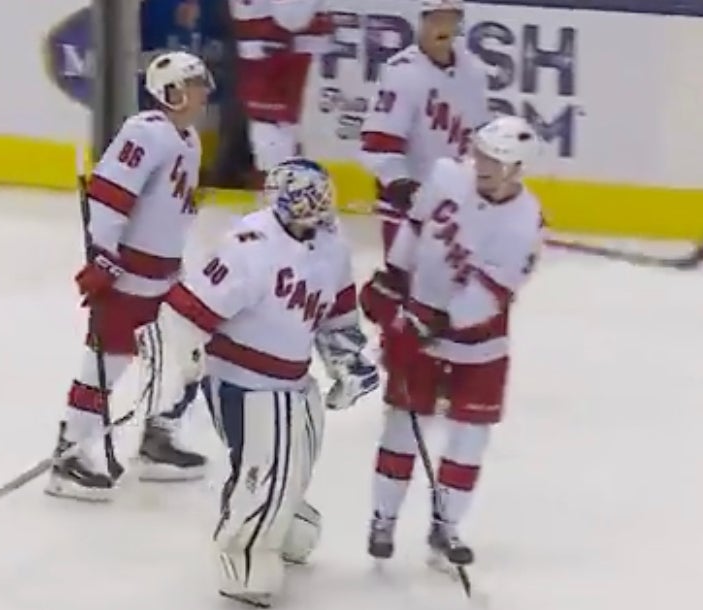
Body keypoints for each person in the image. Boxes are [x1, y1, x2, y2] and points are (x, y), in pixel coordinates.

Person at [160, 158, 380, 606]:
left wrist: (346, 363)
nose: (315, 211)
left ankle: (281, 520)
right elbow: (188, 309)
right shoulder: (248, 245)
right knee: (265, 464)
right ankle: (243, 552)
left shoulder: (331, 246)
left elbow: (337, 314)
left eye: (320, 201)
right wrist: (185, 364)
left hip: (294, 381)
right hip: (244, 384)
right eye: (306, 201)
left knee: (296, 461)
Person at [358, 116, 545, 569]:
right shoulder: (446, 175)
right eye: (480, 153)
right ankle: (383, 519)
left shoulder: (525, 223)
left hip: (478, 345)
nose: (482, 164)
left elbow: (488, 298)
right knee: (403, 423)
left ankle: (447, 525)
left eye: (496, 160)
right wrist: (392, 278)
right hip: (420, 314)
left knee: (470, 436)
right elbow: (414, 227)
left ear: (517, 168)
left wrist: (429, 324)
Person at [46, 51, 214, 502]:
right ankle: (70, 453)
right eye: (194, 84)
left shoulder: (189, 139)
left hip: (165, 275)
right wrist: (104, 258)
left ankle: (157, 436)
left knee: (189, 352)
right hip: (128, 274)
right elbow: (108, 196)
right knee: (110, 356)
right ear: (172, 91)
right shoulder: (145, 133)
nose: (203, 92)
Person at [359, 0, 489, 260]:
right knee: (400, 289)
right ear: (422, 22)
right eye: (435, 19)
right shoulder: (402, 73)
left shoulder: (472, 71)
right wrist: (402, 187)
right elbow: (378, 143)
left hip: (455, 205)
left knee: (449, 291)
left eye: (449, 19)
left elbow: (480, 136)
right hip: (409, 209)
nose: (441, 27)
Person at [228, 0, 332, 188]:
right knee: (277, 142)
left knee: (269, 139)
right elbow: (292, 19)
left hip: (265, 63)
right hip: (283, 64)